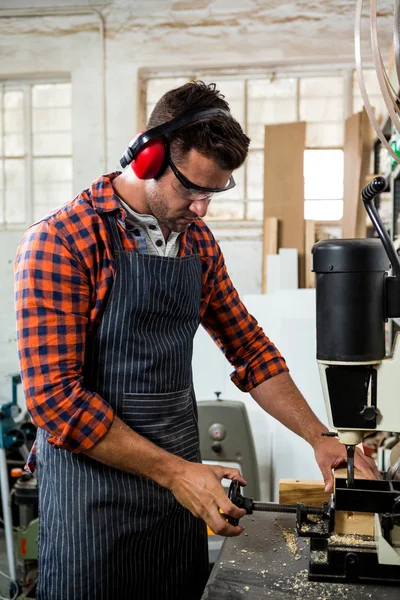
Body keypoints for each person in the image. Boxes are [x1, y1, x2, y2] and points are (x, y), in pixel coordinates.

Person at [14, 81, 379, 600]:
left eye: (213, 193)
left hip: (182, 499)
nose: (202, 209)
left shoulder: (196, 243)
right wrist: (176, 472)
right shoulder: (61, 241)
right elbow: (55, 403)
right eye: (190, 189)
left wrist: (321, 438)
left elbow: (249, 348)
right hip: (92, 508)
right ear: (146, 157)